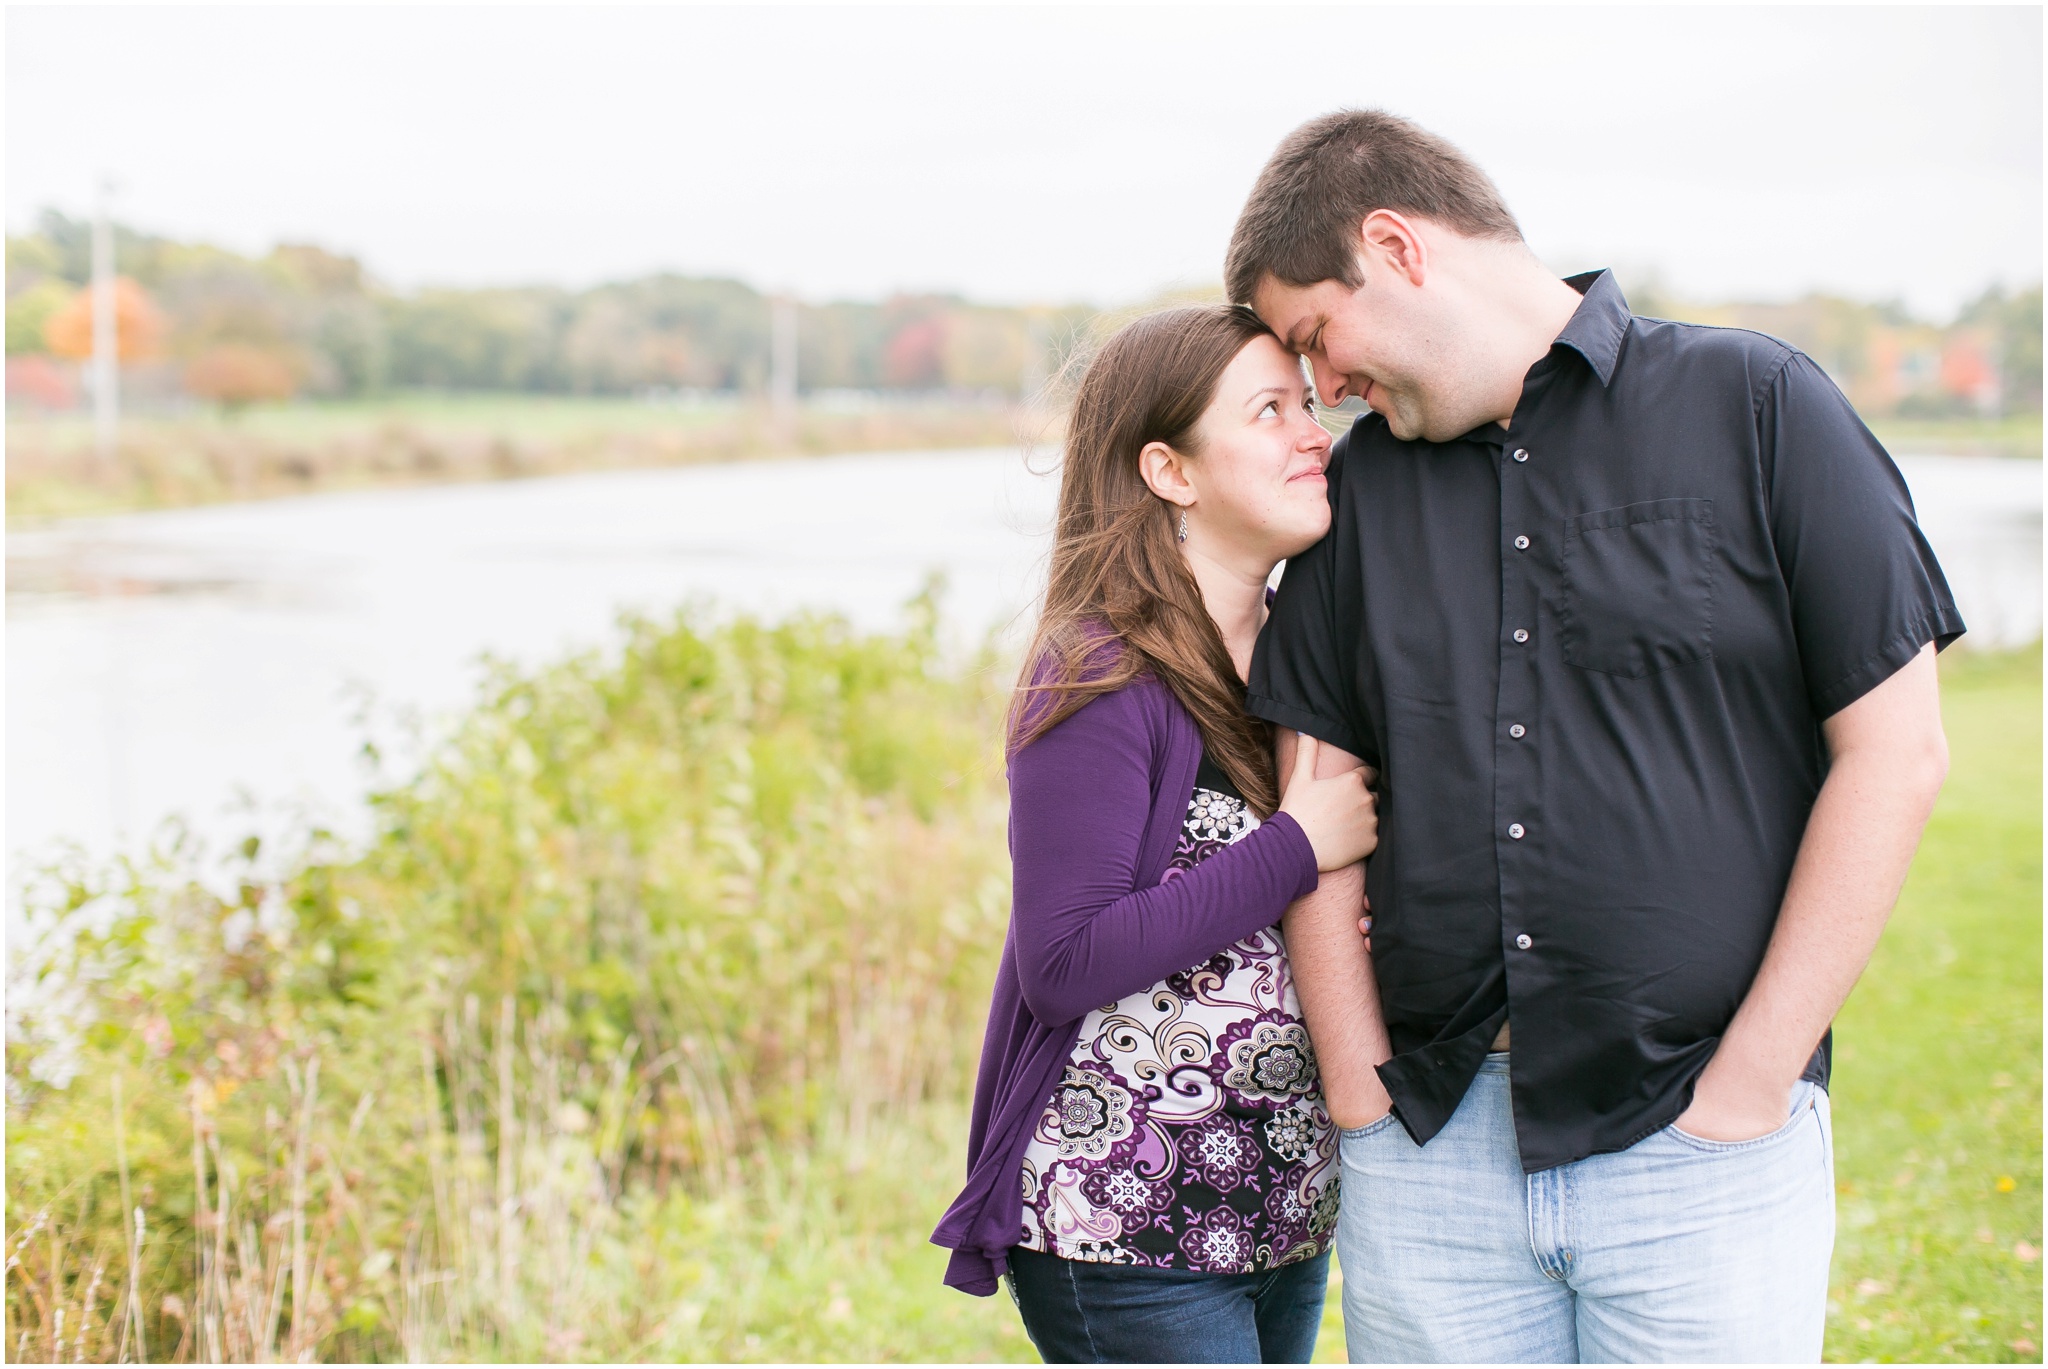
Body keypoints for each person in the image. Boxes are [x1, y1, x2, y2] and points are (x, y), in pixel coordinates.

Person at [1226, 110, 1963, 1363]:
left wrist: (1749, 1084)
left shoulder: (1759, 405)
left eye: (1314, 338)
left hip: (1703, 1148)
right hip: (1433, 1155)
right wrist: (1359, 1101)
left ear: (1395, 245)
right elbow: (1318, 806)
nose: (1324, 389)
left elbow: (1894, 752)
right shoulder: (1354, 499)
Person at [931, 304, 1379, 1363]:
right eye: (1268, 411)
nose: (1311, 432)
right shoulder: (1098, 673)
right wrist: (1291, 846)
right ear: (1169, 471)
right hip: (1125, 1218)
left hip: (1276, 1203)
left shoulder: (1296, 661)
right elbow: (1063, 958)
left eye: (1306, 405)